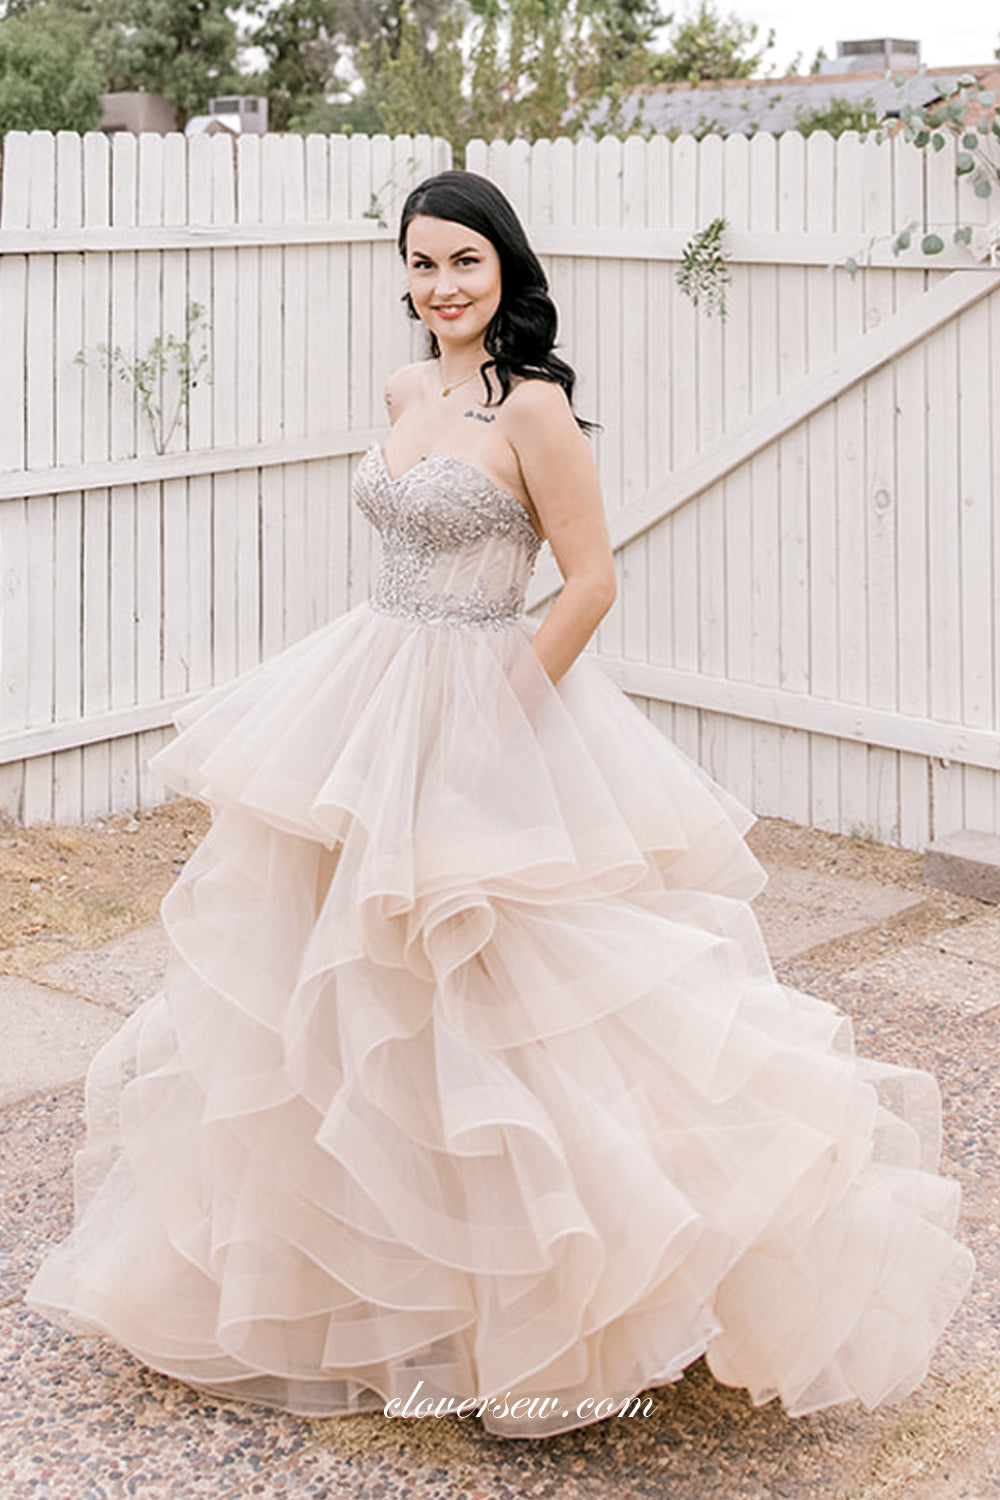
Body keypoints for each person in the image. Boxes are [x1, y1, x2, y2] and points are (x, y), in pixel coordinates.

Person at [25, 168, 974, 1440]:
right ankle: (370, 1283)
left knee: (509, 985)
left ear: (506, 272)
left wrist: (499, 717)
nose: (440, 287)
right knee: (341, 978)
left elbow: (588, 583)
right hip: (370, 690)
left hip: (490, 696)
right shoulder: (406, 392)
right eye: (420, 265)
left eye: (463, 263)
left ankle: (564, 1283)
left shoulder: (534, 411)